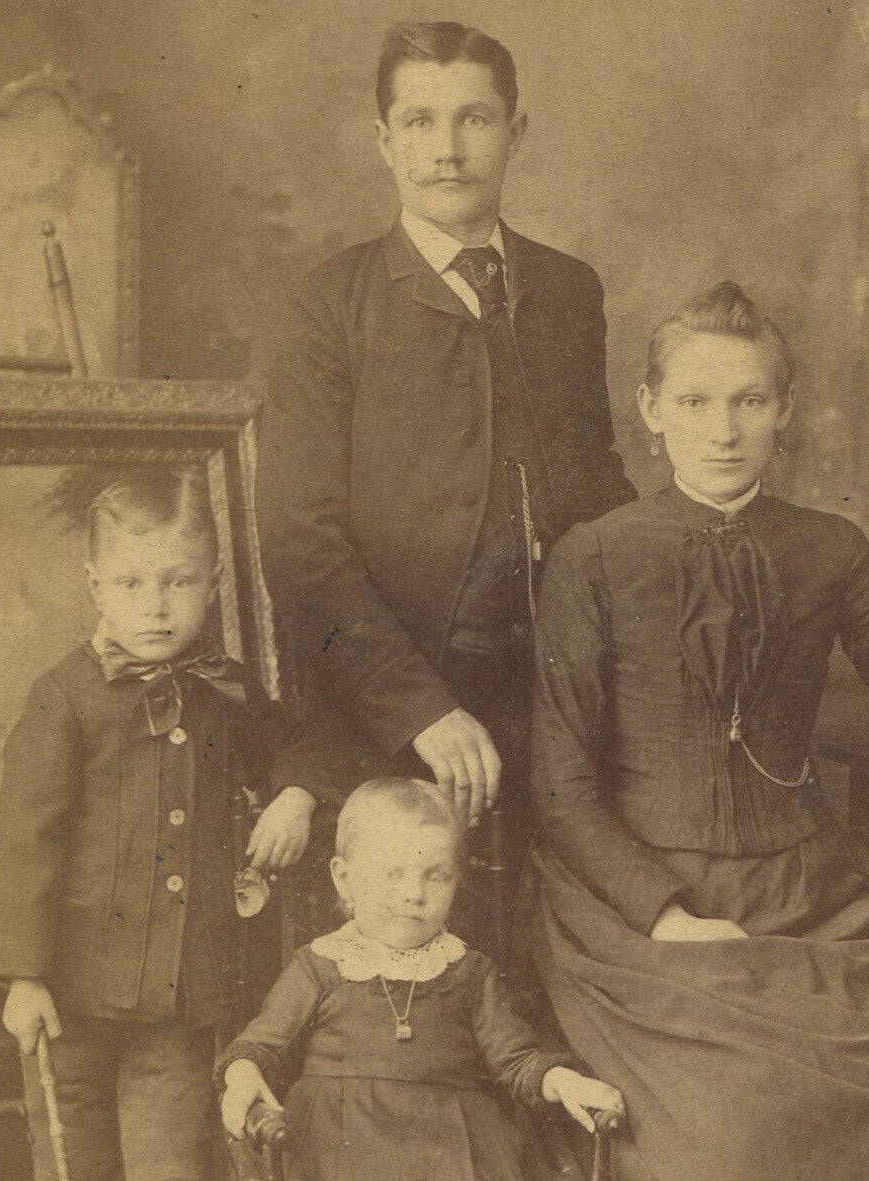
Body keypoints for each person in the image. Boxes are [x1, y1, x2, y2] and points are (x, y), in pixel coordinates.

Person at [527, 282, 869, 1180]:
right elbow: (560, 778)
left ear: (785, 409)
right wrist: (665, 918)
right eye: (696, 401)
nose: (723, 428)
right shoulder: (595, 553)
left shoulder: (831, 547)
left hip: (812, 897)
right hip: (636, 908)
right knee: (730, 1141)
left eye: (750, 399)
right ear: (650, 409)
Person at [255, 22, 634, 911]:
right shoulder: (328, 305)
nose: (448, 149)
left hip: (554, 684)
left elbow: (597, 486)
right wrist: (418, 707)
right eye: (419, 122)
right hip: (388, 695)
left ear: (516, 131)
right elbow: (298, 543)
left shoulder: (569, 289)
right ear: (384, 140)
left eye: (475, 118)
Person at [0, 467, 315, 1181]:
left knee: (173, 1162)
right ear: (95, 584)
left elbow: (294, 744)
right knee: (75, 1162)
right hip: (71, 999)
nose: (157, 607)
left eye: (179, 581)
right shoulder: (63, 700)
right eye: (131, 584)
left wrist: (296, 795)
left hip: (180, 1001)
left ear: (215, 580)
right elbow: (24, 844)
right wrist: (24, 976)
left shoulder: (225, 687)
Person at [218, 776, 624, 1181]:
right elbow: (260, 1045)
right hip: (340, 1140)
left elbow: (515, 1059)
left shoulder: (468, 970)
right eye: (392, 873)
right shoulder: (320, 965)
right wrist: (243, 1076)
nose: (414, 893)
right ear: (344, 878)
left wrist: (563, 1081)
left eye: (436, 876)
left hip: (452, 1143)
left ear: (457, 882)